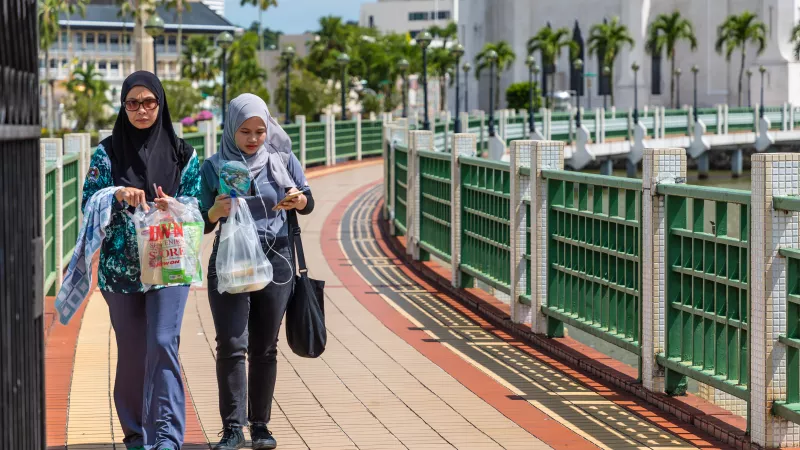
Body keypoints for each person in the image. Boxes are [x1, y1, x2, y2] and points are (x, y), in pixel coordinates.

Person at [80, 71, 201, 450]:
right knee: (133, 352)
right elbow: (87, 202)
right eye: (132, 103)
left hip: (169, 263)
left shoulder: (185, 153)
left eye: (149, 102)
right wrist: (116, 193)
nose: (141, 110)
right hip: (121, 270)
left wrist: (174, 206)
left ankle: (166, 437)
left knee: (163, 342)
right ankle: (135, 432)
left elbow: (198, 209)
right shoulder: (107, 152)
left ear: (161, 104)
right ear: (123, 106)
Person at [199, 94, 314, 450]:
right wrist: (216, 211)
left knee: (265, 347)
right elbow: (201, 222)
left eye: (260, 131)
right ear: (231, 128)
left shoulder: (282, 160)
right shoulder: (214, 166)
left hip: (276, 258)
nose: (252, 139)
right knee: (232, 344)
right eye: (245, 131)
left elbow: (308, 200)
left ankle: (260, 426)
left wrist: (299, 200)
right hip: (231, 258)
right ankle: (232, 428)